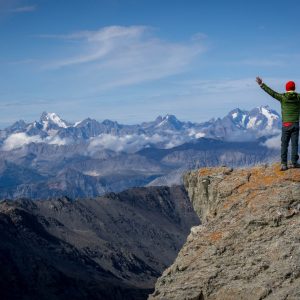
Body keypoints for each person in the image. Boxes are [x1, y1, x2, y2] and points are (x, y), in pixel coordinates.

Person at [256, 77, 300, 171]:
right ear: (294, 88)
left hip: (286, 125)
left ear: (286, 88)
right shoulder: (298, 97)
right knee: (295, 144)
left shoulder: (282, 97)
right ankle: (294, 162)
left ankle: (284, 164)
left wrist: (262, 85)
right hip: (295, 124)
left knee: (284, 144)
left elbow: (272, 93)